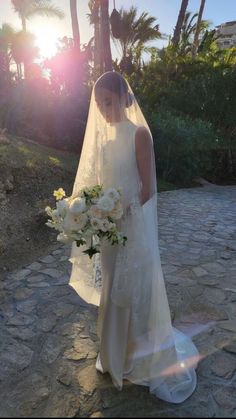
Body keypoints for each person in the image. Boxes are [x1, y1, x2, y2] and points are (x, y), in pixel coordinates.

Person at [69, 71, 199, 403]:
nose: (103, 109)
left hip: (130, 227)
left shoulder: (139, 134)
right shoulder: (103, 139)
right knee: (112, 290)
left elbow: (148, 189)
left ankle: (134, 358)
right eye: (98, 103)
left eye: (108, 102)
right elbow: (98, 183)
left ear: (124, 98)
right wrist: (91, 210)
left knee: (132, 291)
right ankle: (112, 356)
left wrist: (120, 212)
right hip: (108, 231)